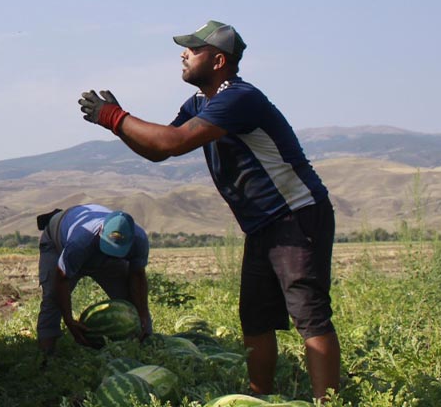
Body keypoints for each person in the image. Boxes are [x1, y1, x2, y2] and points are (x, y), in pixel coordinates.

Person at [77, 20, 340, 401]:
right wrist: (118, 125)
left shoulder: (239, 98)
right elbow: (158, 150)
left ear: (218, 61)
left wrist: (116, 116)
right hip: (263, 226)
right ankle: (260, 396)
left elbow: (176, 141)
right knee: (255, 318)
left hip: (296, 216)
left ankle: (328, 401)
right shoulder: (201, 103)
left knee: (309, 315)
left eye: (193, 49)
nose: (183, 54)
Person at [37, 204, 152, 355]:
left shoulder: (139, 239)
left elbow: (137, 276)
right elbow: (61, 278)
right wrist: (69, 320)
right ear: (100, 232)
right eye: (109, 248)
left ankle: (146, 349)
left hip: (104, 261)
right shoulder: (80, 241)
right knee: (52, 299)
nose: (112, 254)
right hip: (57, 244)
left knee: (132, 305)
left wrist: (142, 313)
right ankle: (46, 358)